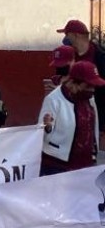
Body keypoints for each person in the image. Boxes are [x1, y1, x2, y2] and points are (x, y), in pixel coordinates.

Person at [38, 61, 101, 176]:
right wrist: (47, 127)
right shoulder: (54, 100)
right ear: (74, 83)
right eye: (88, 85)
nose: (92, 89)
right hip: (58, 164)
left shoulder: (90, 98)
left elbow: (93, 127)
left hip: (85, 163)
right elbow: (42, 132)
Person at [56, 19, 105, 147]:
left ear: (76, 35)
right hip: (69, 114)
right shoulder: (66, 56)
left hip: (96, 112)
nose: (65, 38)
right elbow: (58, 77)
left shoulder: (100, 57)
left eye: (67, 34)